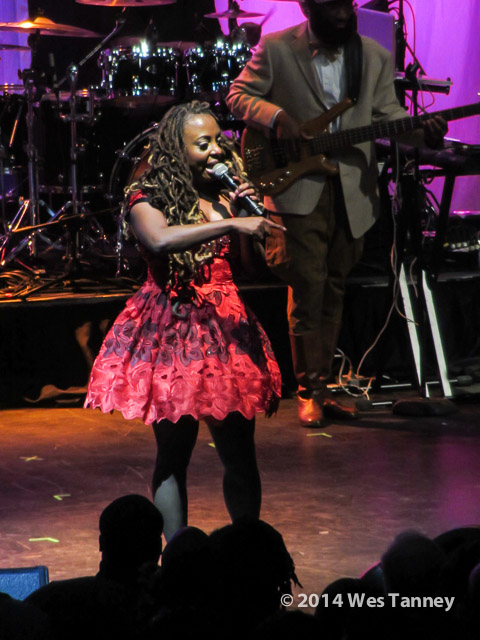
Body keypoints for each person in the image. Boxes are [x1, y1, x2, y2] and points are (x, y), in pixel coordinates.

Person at [226, 0, 448, 428]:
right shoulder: (276, 48)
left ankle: (324, 386)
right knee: (307, 287)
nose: (344, 13)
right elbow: (237, 96)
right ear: (307, 6)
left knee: (333, 286)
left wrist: (425, 134)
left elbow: (388, 115)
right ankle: (309, 391)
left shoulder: (374, 55)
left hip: (351, 188)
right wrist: (277, 117)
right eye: (332, 5)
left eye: (348, 4)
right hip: (297, 185)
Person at [84, 101, 284, 540]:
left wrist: (244, 218)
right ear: (176, 149)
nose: (215, 151)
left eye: (218, 142)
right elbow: (158, 240)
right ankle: (176, 556)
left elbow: (251, 269)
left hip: (225, 329)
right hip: (172, 329)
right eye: (202, 144)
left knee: (239, 453)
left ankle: (248, 548)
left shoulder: (225, 195)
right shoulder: (145, 196)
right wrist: (230, 225)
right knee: (174, 455)